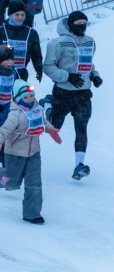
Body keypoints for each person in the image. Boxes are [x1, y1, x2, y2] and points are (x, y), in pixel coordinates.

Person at [0, 80, 62, 224]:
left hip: (34, 153)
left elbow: (43, 122)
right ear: (18, 97)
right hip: (15, 154)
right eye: (26, 97)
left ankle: (32, 214)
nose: (29, 99)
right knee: (11, 183)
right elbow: (3, 131)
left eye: (31, 96)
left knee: (34, 184)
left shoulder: (37, 109)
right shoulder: (15, 115)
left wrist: (50, 129)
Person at [42, 11, 103, 180]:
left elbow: (87, 62)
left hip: (83, 93)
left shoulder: (90, 42)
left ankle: (79, 165)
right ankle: (47, 106)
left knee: (81, 128)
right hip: (63, 92)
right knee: (55, 127)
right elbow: (48, 67)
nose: (82, 25)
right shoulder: (57, 43)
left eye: (85, 22)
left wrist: (94, 75)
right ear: (70, 24)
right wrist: (67, 76)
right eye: (78, 22)